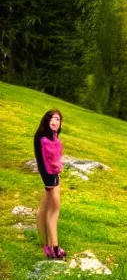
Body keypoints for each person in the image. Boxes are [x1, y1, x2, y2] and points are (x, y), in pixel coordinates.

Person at [34, 109, 66, 260]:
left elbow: (54, 159)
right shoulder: (43, 138)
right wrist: (50, 183)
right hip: (50, 178)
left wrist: (58, 169)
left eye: (58, 120)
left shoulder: (52, 136)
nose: (55, 122)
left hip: (54, 175)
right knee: (54, 211)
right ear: (47, 120)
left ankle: (45, 245)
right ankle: (54, 247)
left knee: (45, 209)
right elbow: (43, 163)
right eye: (52, 119)